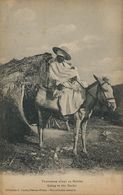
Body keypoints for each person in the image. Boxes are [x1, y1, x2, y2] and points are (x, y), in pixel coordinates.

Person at [49, 47, 85, 115]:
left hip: (68, 82)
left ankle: (77, 107)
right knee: (65, 93)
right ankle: (65, 112)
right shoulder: (53, 65)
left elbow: (68, 72)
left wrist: (73, 72)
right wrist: (59, 83)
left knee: (79, 90)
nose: (61, 59)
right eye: (59, 57)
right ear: (57, 56)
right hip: (59, 82)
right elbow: (53, 76)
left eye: (62, 57)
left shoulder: (65, 64)